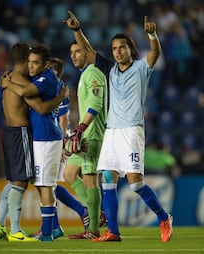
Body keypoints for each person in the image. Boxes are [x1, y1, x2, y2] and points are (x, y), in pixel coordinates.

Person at [65, 11, 173, 242]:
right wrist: (77, 30)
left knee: (135, 185)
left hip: (132, 131)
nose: (118, 52)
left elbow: (155, 52)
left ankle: (164, 218)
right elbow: (89, 51)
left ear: (130, 50)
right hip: (111, 132)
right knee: (107, 181)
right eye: (114, 48)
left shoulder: (141, 69)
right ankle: (113, 231)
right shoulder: (110, 70)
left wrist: (152, 34)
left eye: (122, 47)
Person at [0, 44, 69, 242]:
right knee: (23, 182)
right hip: (23, 133)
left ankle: (0, 223)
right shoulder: (23, 81)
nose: (32, 65)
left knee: (22, 182)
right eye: (30, 61)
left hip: (9, 132)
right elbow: (41, 107)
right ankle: (16, 230)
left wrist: (8, 86)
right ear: (26, 60)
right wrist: (60, 98)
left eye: (36, 62)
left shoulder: (8, 77)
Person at [61, 38, 108, 240]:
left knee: (90, 180)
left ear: (88, 54)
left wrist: (80, 128)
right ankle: (97, 214)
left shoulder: (94, 73)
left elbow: (96, 104)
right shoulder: (84, 76)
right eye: (71, 52)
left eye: (78, 51)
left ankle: (94, 229)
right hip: (83, 134)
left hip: (92, 133)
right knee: (69, 174)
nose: (73, 55)